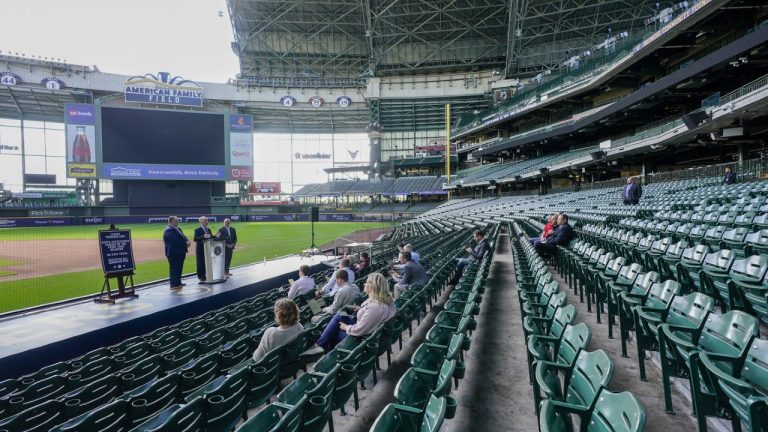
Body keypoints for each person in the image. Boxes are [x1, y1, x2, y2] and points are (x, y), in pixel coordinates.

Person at [307, 272, 396, 353]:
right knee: (339, 316)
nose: (365, 284)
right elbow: (370, 315)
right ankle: (319, 346)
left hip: (364, 339)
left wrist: (346, 327)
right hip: (370, 332)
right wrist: (361, 309)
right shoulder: (386, 301)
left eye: (367, 282)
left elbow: (360, 330)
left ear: (373, 287)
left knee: (333, 333)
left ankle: (322, 350)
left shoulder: (376, 307)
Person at [163, 216, 189, 290]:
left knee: (179, 268)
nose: (177, 222)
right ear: (171, 222)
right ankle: (173, 285)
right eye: (176, 221)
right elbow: (174, 240)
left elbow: (184, 236)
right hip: (173, 253)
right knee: (174, 269)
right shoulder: (168, 230)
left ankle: (178, 282)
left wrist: (187, 241)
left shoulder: (178, 229)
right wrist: (185, 244)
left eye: (177, 221)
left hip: (180, 252)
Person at [193, 216, 213, 282]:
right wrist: (203, 236)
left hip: (208, 248)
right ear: (201, 221)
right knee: (200, 263)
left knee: (206, 262)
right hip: (200, 249)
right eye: (206, 220)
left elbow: (211, 237)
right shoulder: (197, 230)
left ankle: (206, 275)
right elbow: (195, 239)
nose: (207, 221)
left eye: (207, 220)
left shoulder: (209, 229)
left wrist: (216, 236)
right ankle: (201, 277)